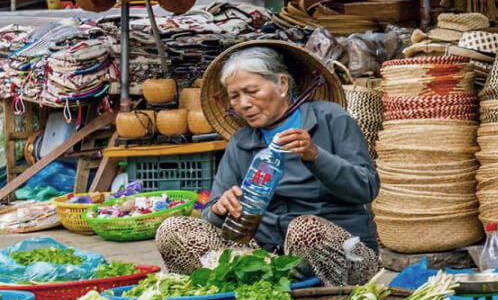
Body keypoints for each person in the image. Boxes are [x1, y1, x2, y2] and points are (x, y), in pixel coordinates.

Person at [155, 43, 380, 285]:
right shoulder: (241, 142)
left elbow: (366, 188)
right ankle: (243, 295)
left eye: (252, 91)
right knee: (172, 229)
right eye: (235, 96)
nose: (243, 104)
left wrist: (315, 155)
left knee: (304, 229)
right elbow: (211, 213)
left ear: (282, 84)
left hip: (341, 252)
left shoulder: (331, 119)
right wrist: (220, 209)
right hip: (267, 257)